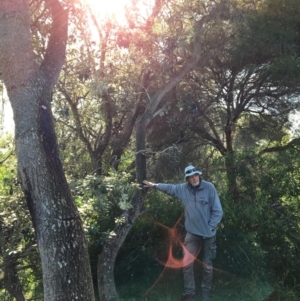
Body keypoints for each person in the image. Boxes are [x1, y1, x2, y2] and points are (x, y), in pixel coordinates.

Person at [143, 165, 223, 301]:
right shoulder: (182, 189)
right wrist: (154, 185)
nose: (194, 178)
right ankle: (189, 294)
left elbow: (218, 211)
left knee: (207, 266)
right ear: (187, 179)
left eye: (195, 175)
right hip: (192, 233)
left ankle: (206, 295)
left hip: (209, 234)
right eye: (190, 177)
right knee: (187, 263)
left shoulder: (209, 188)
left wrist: (210, 227)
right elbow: (169, 188)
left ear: (199, 175)